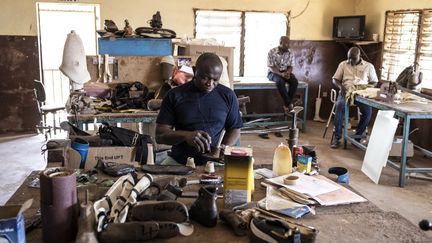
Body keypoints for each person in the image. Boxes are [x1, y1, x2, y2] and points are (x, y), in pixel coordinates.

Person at [155, 52, 243, 165]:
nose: (210, 83)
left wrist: (224, 147)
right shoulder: (174, 95)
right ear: (194, 70)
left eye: (215, 79)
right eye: (205, 78)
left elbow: (235, 128)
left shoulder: (227, 96)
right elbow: (160, 135)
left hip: (215, 162)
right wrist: (186, 136)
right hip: (181, 161)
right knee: (159, 179)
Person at [331, 47, 378, 149]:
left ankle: (357, 137)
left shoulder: (368, 66)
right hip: (346, 92)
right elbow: (335, 79)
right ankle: (337, 137)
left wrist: (367, 88)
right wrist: (341, 87)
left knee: (367, 112)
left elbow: (375, 81)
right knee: (339, 107)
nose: (350, 61)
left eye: (353, 58)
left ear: (359, 56)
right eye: (349, 58)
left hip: (361, 93)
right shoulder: (343, 64)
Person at [267, 36, 298, 112]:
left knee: (294, 81)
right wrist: (281, 74)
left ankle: (286, 105)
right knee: (280, 82)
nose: (288, 45)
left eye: (289, 43)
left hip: (285, 71)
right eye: (286, 43)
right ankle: (290, 104)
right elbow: (271, 67)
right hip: (273, 72)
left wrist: (287, 72)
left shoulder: (290, 53)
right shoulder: (272, 52)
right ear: (280, 43)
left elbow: (291, 66)